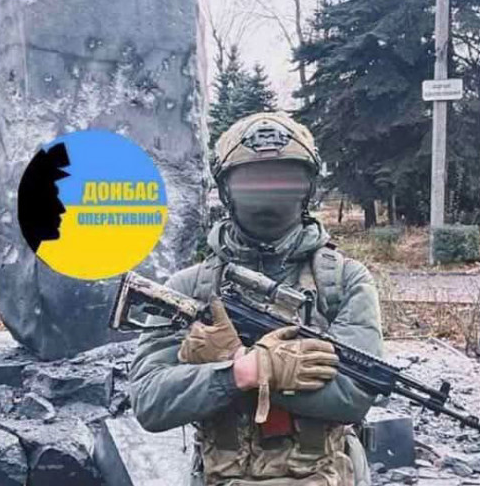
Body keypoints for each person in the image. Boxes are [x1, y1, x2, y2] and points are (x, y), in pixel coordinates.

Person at [129, 112, 383, 486]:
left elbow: (355, 393)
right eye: (253, 181)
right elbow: (150, 400)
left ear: (308, 188)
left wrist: (265, 370)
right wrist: (238, 373)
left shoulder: (342, 281)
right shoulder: (190, 287)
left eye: (284, 180)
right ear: (226, 189)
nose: (268, 194)